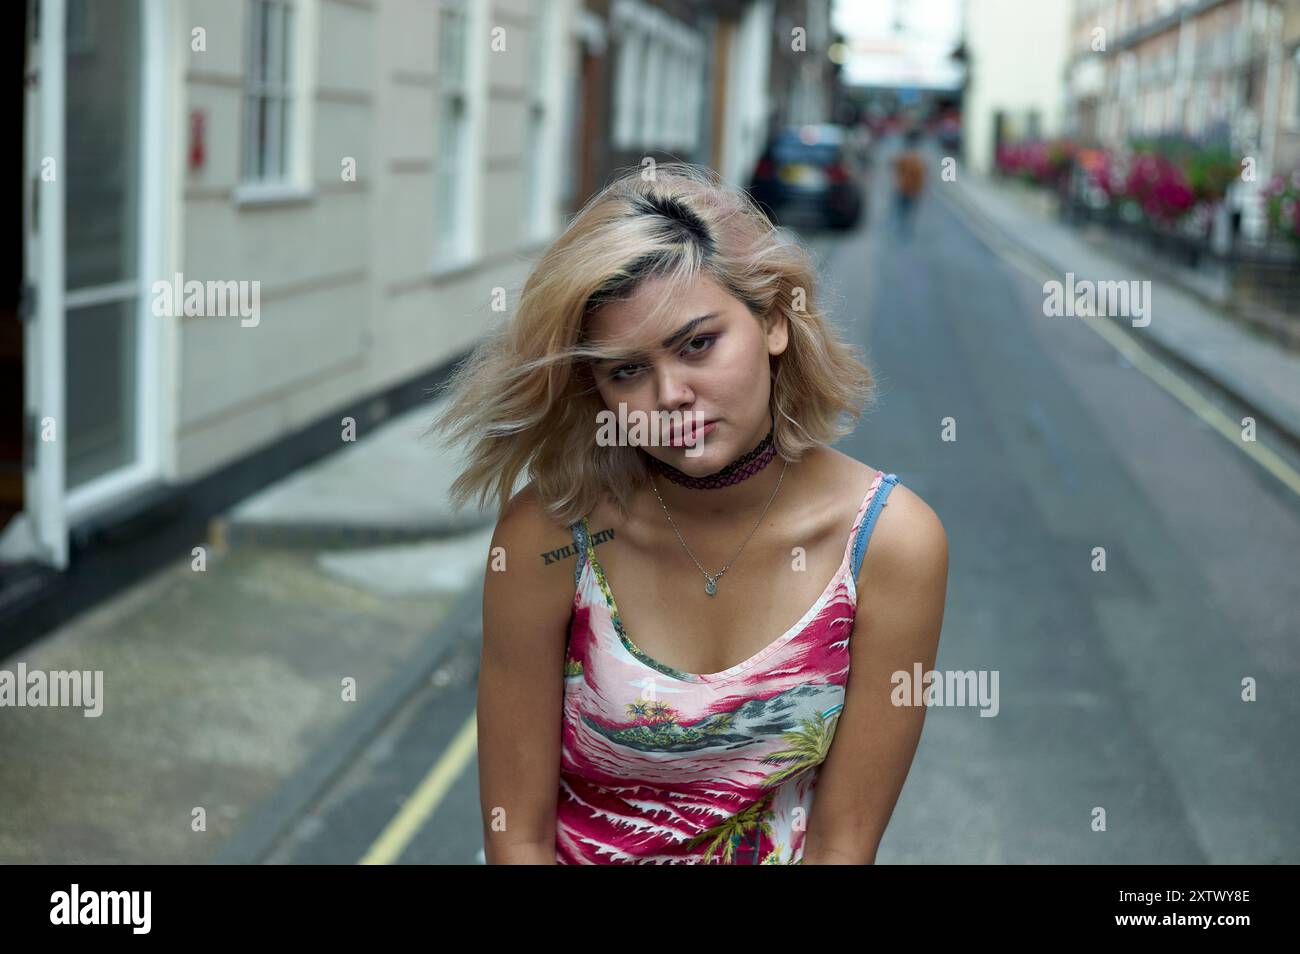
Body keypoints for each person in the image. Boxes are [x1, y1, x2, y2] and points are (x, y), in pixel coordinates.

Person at [428, 162, 948, 864]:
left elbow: (844, 843)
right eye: (625, 370)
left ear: (772, 321)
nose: (670, 394)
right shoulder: (549, 535)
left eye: (697, 344)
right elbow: (515, 835)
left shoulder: (892, 543)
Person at [892, 128, 927, 239]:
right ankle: (905, 226)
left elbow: (896, 168)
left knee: (905, 209)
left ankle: (904, 226)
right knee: (907, 209)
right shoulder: (917, 159)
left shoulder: (907, 158)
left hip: (906, 188)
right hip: (908, 189)